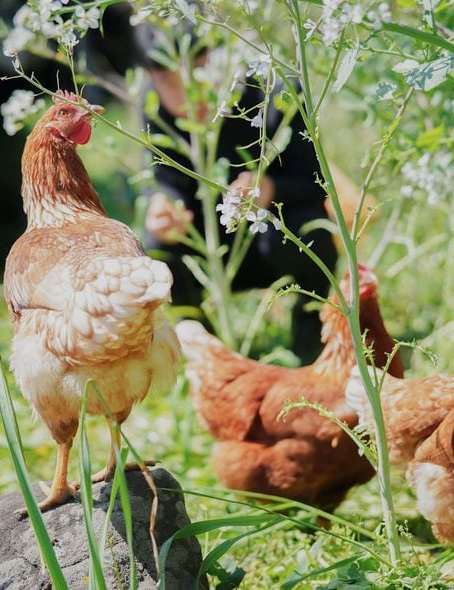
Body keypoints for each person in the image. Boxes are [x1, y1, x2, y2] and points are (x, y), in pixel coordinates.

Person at [133, 25, 339, 361]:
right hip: (206, 245)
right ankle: (207, 353)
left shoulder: (274, 90)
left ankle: (311, 340)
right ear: (151, 79)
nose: (189, 95)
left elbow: (315, 182)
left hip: (269, 238)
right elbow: (158, 176)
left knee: (311, 229)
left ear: (220, 57)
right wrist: (162, 204)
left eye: (199, 74)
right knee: (156, 244)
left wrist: (271, 189)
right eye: (170, 82)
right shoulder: (153, 104)